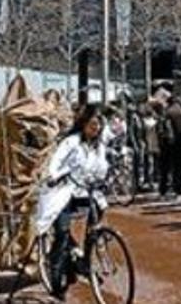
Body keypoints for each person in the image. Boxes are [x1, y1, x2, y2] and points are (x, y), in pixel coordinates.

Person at [35, 105, 110, 301]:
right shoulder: (70, 143)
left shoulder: (98, 146)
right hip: (62, 192)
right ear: (83, 124)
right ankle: (55, 275)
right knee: (61, 232)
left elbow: (102, 168)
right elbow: (55, 164)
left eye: (99, 124)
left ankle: (86, 254)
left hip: (84, 192)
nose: (97, 128)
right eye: (93, 124)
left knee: (99, 209)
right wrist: (54, 176)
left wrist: (105, 177)